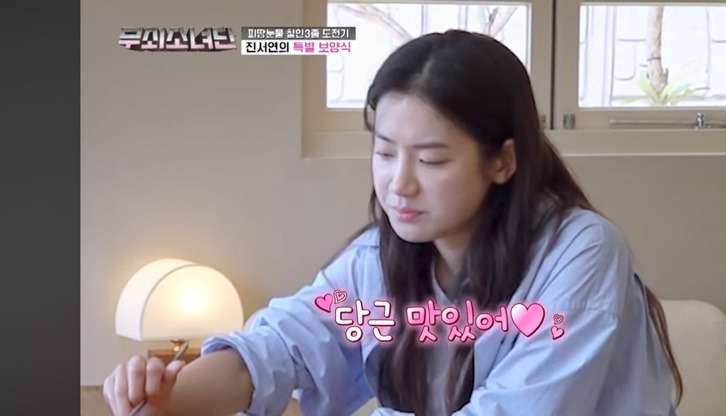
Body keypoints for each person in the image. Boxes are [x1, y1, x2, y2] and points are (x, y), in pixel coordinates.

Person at [103, 29, 683, 416]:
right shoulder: (377, 259)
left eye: (431, 160)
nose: (398, 184)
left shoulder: (581, 250)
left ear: (503, 161)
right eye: (384, 152)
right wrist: (164, 396)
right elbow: (281, 345)